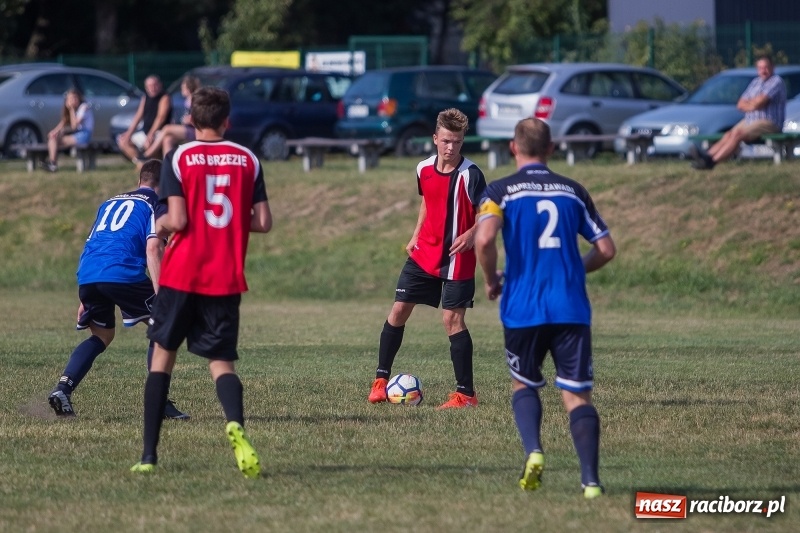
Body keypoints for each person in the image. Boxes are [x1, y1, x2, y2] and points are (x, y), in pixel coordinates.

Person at [131, 86, 273, 478]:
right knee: (220, 361)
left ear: (191, 120)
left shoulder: (179, 157)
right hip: (225, 276)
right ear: (227, 121)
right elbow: (263, 222)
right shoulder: (248, 159)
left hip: (182, 273)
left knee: (162, 357)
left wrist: (158, 226)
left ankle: (148, 456)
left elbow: (177, 219)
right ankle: (235, 426)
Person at [474, 117, 616, 498]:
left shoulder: (499, 190)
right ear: (551, 149)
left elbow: (484, 239)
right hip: (570, 306)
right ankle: (590, 482)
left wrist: (490, 280)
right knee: (577, 395)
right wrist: (574, 269)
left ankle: (534, 451)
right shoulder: (573, 191)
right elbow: (606, 249)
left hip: (523, 306)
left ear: (513, 148)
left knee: (524, 383)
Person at [48, 160, 189, 420]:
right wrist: (162, 295)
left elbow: (94, 242)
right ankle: (159, 404)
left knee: (101, 335)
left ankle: (63, 389)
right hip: (121, 271)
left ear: (140, 181)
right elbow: (153, 248)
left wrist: (84, 295)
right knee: (163, 327)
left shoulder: (109, 202)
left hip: (89, 273)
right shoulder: (156, 203)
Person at [368, 108, 486, 409]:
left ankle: (466, 395)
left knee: (452, 319)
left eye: (457, 142)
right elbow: (427, 203)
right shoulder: (423, 169)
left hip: (458, 258)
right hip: (424, 254)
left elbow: (490, 214)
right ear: (435, 139)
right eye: (446, 140)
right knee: (398, 310)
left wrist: (472, 233)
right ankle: (380, 381)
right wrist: (415, 235)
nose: (451, 147)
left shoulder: (471, 175)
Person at [690, 55, 787, 169]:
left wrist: (752, 103)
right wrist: (752, 104)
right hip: (751, 119)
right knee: (728, 134)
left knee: (737, 135)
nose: (763, 71)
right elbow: (740, 104)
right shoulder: (756, 82)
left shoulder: (776, 81)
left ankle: (711, 162)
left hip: (769, 121)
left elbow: (759, 103)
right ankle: (706, 157)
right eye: (760, 68)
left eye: (766, 67)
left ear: (772, 67)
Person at [116, 75, 172, 169]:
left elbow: (160, 118)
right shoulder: (145, 98)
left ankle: (150, 165)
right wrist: (128, 133)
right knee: (123, 141)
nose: (152, 88)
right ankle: (140, 162)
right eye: (150, 86)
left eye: (155, 85)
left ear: (160, 85)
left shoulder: (164, 97)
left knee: (149, 144)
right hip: (145, 132)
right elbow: (138, 116)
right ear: (146, 87)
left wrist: (151, 134)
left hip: (160, 132)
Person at [142, 75, 201, 159]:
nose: (181, 89)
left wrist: (191, 120)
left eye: (183, 87)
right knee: (167, 139)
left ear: (189, 88)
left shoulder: (196, 100)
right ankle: (168, 165)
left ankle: (147, 154)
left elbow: (202, 119)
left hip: (194, 130)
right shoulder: (186, 101)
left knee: (167, 128)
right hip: (185, 128)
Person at [43, 88, 94, 172]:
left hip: (84, 135)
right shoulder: (74, 109)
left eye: (74, 98)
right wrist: (55, 131)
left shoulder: (84, 107)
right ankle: (52, 163)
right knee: (53, 137)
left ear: (79, 98)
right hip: (77, 134)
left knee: (55, 140)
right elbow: (64, 121)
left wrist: (71, 109)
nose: (72, 100)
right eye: (70, 98)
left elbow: (74, 125)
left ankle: (52, 164)